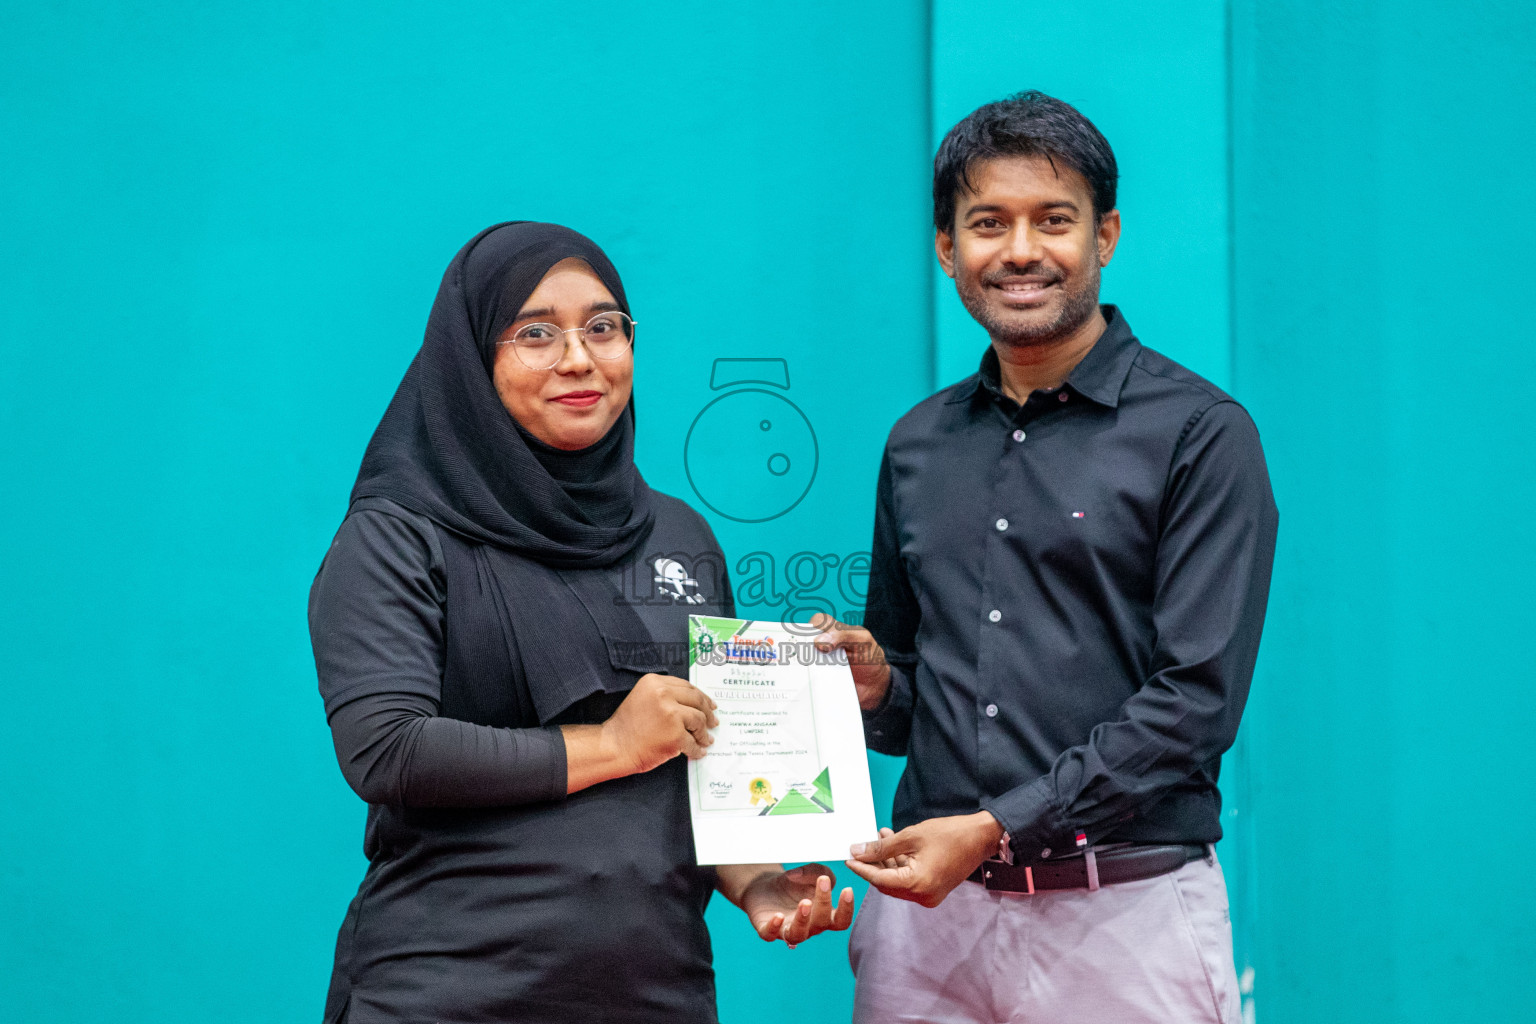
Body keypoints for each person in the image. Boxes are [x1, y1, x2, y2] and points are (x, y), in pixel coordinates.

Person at [308, 222, 854, 1024]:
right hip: (447, 991)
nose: (578, 358)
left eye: (603, 327)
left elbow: (707, 762)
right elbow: (386, 749)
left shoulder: (680, 536)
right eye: (536, 333)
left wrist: (756, 881)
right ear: (471, 358)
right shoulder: (398, 534)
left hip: (652, 990)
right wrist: (611, 745)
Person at [816, 92, 1278, 1023]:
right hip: (928, 929)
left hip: (1125, 916)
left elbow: (1195, 703)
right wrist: (872, 688)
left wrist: (997, 829)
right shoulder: (917, 444)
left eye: (1053, 221)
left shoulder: (1199, 434)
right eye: (988, 223)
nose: (1020, 251)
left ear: (1104, 236)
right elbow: (918, 698)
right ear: (947, 248)